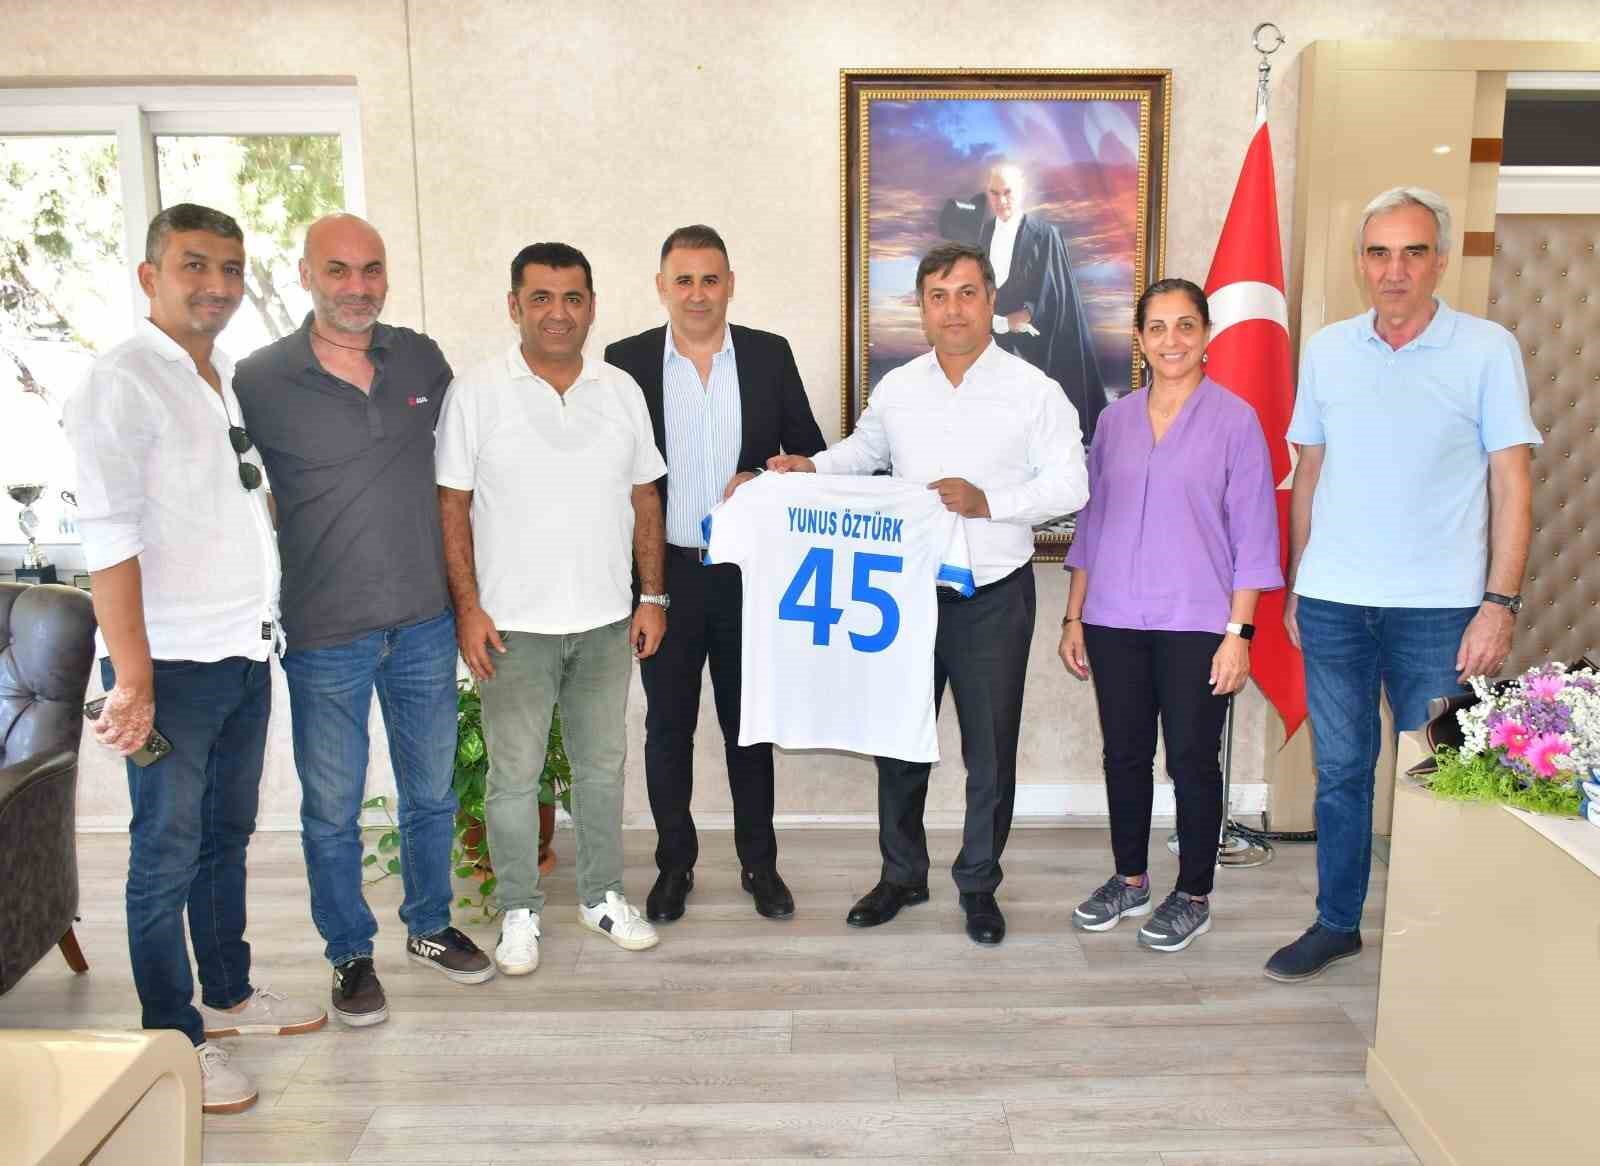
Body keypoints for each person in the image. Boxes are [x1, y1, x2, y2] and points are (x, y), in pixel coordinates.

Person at [64, 204, 325, 1114]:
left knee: (226, 836)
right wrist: (131, 677)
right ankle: (172, 1039)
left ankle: (229, 993)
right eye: (194, 266)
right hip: (168, 669)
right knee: (164, 855)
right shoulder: (122, 381)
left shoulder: (216, 378)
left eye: (230, 268)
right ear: (150, 276)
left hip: (242, 651)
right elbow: (109, 539)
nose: (216, 285)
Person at [770, 242, 1088, 945]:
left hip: (994, 597)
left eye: (967, 293)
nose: (953, 310)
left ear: (991, 300)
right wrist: (809, 467)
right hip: (905, 594)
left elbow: (1072, 485)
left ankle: (979, 885)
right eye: (938, 297)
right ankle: (902, 875)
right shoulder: (899, 388)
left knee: (990, 751)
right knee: (899, 739)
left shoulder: (1035, 391)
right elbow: (864, 453)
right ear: (921, 308)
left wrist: (989, 501)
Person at [1266, 186, 1540, 982]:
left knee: (1440, 774)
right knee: (1341, 775)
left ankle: (1437, 940)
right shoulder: (1328, 351)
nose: (1395, 270)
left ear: (1440, 261)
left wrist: (1500, 604)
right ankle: (1336, 924)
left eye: (1412, 252)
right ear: (1361, 263)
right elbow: (1310, 472)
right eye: (1379, 253)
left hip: (1442, 612)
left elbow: (1512, 484)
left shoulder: (1487, 350)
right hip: (1333, 604)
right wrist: (1299, 582)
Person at [234, 214, 492, 1028]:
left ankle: (428, 925)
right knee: (331, 810)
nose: (357, 286)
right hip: (323, 635)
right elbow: (231, 495)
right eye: (338, 270)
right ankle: (349, 953)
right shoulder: (257, 379)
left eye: (371, 269)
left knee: (431, 794)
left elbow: (466, 470)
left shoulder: (420, 359)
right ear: (305, 274)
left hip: (422, 623)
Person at [438, 242, 667, 973]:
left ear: (591, 306)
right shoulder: (476, 392)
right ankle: (518, 911)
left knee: (602, 770)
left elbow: (645, 497)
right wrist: (468, 609)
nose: (558, 312)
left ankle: (602, 897)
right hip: (512, 628)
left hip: (604, 622)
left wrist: (652, 596)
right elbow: (452, 506)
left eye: (572, 298)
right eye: (540, 297)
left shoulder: (621, 391)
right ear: (514, 306)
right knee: (513, 778)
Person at [605, 225, 826, 923]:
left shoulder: (768, 354)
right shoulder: (625, 363)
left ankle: (761, 864)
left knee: (747, 727)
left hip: (748, 577)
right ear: (661, 287)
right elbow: (610, 474)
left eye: (710, 279)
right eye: (684, 280)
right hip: (663, 577)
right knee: (667, 730)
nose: (697, 294)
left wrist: (763, 475)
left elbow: (811, 456)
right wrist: (640, 588)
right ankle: (675, 867)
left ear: (730, 284)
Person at [1059, 278, 1283, 953]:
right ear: (1139, 340)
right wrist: (1074, 617)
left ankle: (1193, 894)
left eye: (1186, 325)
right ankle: (1130, 879)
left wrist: (1239, 634)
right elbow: (1093, 524)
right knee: (1124, 755)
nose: (1172, 340)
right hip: (1113, 617)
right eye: (1157, 327)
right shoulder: (1114, 422)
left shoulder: (1236, 421)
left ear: (1206, 334)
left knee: (1191, 759)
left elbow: (1255, 537)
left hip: (1198, 623)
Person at [941, 162, 1107, 440]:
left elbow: (1051, 294)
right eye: (994, 193)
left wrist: (1018, 318)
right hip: (990, 350)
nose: (1001, 201)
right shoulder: (981, 236)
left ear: (1022, 191)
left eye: (1008, 192)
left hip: (1035, 352)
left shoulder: (1046, 235)